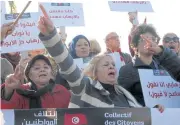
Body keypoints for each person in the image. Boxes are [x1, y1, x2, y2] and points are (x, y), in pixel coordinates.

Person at [37, 7, 164, 112]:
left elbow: (137, 116)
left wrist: (153, 111)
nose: (111, 67)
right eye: (106, 65)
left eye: (113, 65)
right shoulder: (85, 87)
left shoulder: (124, 94)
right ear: (95, 72)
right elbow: (66, 63)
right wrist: (51, 35)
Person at [118, 24, 166, 106]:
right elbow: (122, 100)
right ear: (135, 46)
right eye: (145, 39)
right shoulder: (126, 70)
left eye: (153, 39)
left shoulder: (164, 69)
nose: (149, 42)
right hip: (141, 116)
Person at [1, 55, 71, 109]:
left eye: (46, 67)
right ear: (29, 75)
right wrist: (8, 89)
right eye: (37, 68)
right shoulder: (21, 91)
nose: (42, 70)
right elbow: (5, 110)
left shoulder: (62, 91)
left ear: (51, 73)